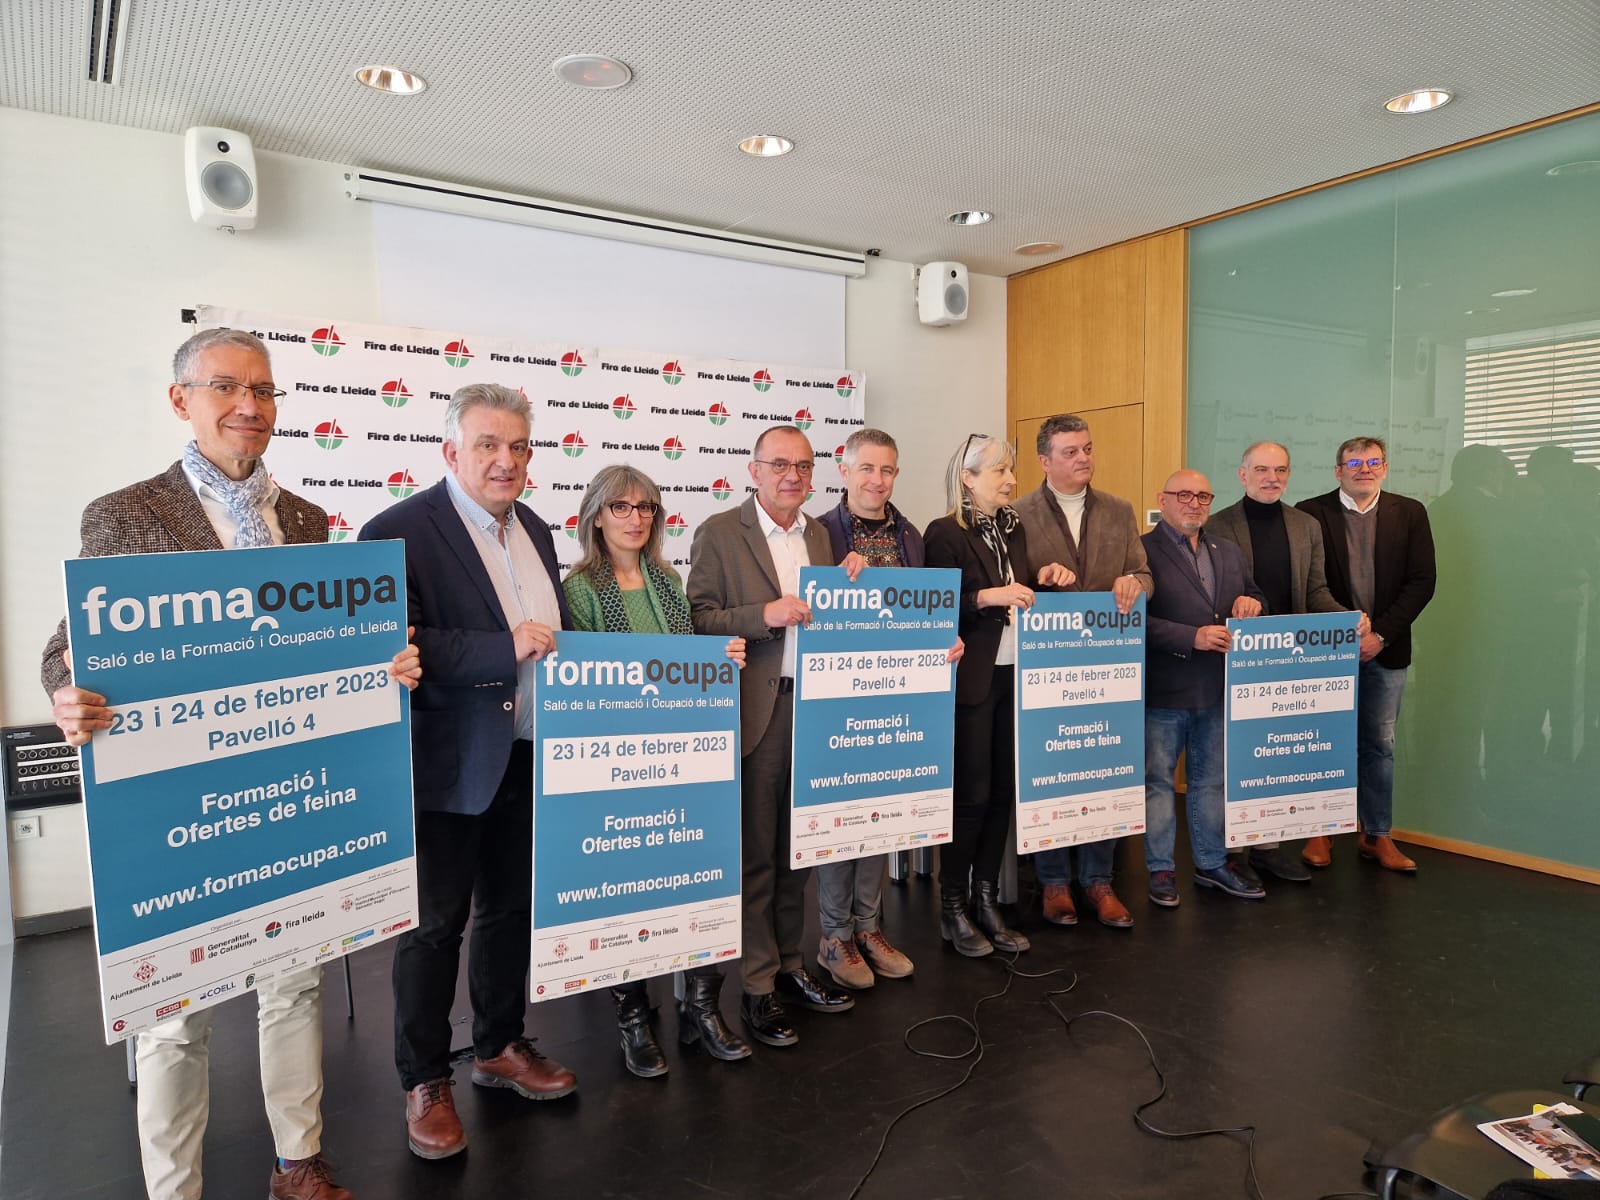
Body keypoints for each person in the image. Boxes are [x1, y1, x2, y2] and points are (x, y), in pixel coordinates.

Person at [42, 327, 420, 1200]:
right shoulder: (126, 513)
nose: (249, 406)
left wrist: (385, 665)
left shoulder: (306, 520)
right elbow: (68, 647)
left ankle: (299, 1161)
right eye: (226, 387)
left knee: (295, 984)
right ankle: (175, 1191)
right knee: (175, 1018)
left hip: (288, 796)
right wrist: (67, 692)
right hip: (183, 805)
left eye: (264, 390)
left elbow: (325, 649)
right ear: (182, 400)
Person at [359, 383, 576, 1160]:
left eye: (518, 446)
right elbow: (392, 639)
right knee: (433, 927)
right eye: (488, 444)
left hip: (527, 751)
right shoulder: (396, 531)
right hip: (448, 763)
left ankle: (499, 1044)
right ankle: (423, 1078)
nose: (505, 460)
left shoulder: (537, 528)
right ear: (452, 451)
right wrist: (500, 648)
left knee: (509, 911)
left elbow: (556, 633)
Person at [562, 464, 753, 1073]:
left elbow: (687, 659)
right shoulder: (579, 589)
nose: (635, 517)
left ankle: (702, 1008)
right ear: (596, 517)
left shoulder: (668, 580)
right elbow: (587, 681)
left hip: (683, 758)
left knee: (699, 878)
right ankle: (634, 1018)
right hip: (617, 766)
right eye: (621, 507)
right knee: (629, 890)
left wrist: (720, 657)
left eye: (645, 507)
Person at [686, 425, 855, 1048]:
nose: (793, 476)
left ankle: (790, 966)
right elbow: (698, 618)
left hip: (814, 710)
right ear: (753, 471)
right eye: (780, 464)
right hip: (757, 711)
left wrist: (853, 584)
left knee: (797, 853)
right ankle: (757, 987)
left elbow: (830, 615)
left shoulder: (820, 535)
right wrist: (765, 615)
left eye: (804, 467)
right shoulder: (719, 531)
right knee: (756, 855)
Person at [812, 428, 961, 987]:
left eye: (888, 470)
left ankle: (869, 928)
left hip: (895, 696)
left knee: (879, 813)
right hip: (836, 700)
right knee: (839, 816)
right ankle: (834, 937)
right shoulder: (819, 533)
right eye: (867, 468)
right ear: (844, 471)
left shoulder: (911, 535)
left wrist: (945, 638)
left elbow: (921, 613)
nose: (878, 480)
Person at [923, 434, 1074, 956]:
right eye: (1000, 472)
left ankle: (986, 900)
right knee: (972, 796)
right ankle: (952, 906)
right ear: (967, 479)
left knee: (1004, 793)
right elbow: (938, 605)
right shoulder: (944, 532)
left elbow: (1018, 590)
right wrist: (988, 596)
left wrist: (1043, 580)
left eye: (1011, 470)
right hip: (972, 681)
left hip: (1015, 675)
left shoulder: (1014, 527)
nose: (1012, 480)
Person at [1012, 413, 1152, 929]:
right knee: (1053, 769)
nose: (1083, 459)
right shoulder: (1017, 514)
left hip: (1109, 668)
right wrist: (1038, 580)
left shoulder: (1119, 509)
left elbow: (1144, 573)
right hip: (1046, 668)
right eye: (1070, 452)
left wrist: (1136, 584)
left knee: (1105, 766)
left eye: (1087, 449)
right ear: (1044, 460)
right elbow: (1011, 583)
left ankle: (1098, 880)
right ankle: (1053, 882)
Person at [1205, 440, 1363, 886]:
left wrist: (1346, 619)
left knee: (1275, 759)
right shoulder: (1217, 525)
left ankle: (1268, 849)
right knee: (1234, 760)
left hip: (1287, 663)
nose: (1271, 478)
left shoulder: (1305, 525)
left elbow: (1315, 592)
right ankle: (1230, 854)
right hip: (1235, 662)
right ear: (1243, 475)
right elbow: (1209, 595)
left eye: (1280, 470)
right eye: (1261, 470)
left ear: (1289, 475)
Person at [1296, 437, 1436, 873]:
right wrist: (1342, 635)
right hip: (1324, 652)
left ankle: (1377, 835)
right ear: (1338, 471)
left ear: (1386, 468)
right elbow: (1307, 584)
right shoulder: (1309, 513)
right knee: (1321, 742)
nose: (1365, 469)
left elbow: (1422, 581)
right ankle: (1319, 831)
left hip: (1386, 651)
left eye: (1374, 461)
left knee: (1379, 746)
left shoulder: (1410, 513)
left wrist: (1380, 636)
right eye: (1354, 462)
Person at [1141, 470, 1266, 906]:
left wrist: (1253, 602)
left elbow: (1256, 595)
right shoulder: (1141, 551)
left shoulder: (1227, 550)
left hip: (1216, 689)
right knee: (1157, 783)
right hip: (1163, 691)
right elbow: (1133, 621)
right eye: (1184, 495)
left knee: (1211, 782)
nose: (1194, 503)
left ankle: (1212, 863)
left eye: (1203, 496)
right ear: (1163, 499)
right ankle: (1160, 869)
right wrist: (1189, 637)